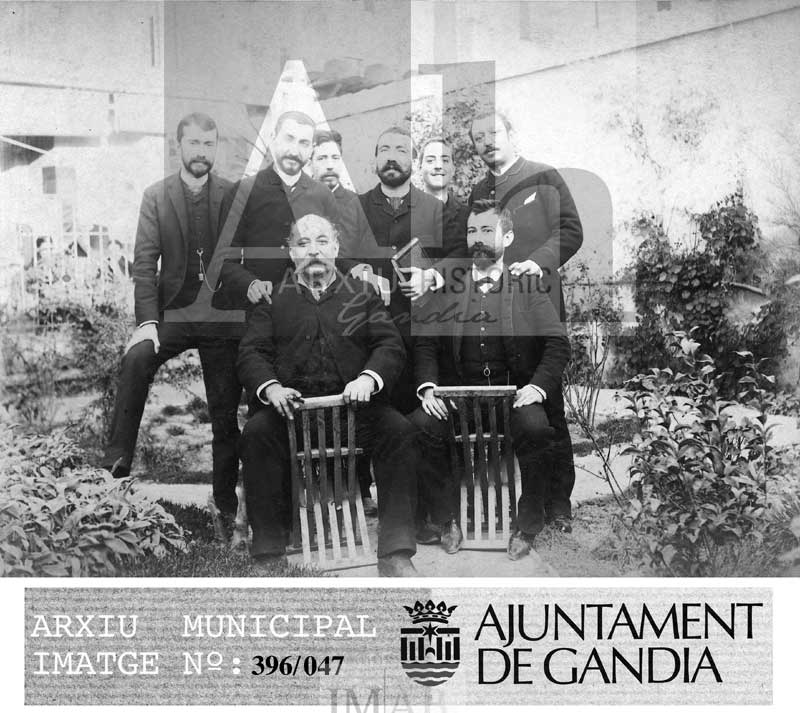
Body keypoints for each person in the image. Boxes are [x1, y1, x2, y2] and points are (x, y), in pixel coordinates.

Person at [236, 213, 419, 577]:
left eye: (322, 241)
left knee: (399, 431)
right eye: (303, 243)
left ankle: (395, 552)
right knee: (256, 433)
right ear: (291, 252)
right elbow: (251, 352)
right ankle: (268, 554)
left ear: (336, 247)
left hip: (354, 414)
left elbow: (389, 345)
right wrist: (272, 387)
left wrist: (368, 378)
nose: (314, 251)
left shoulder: (362, 294)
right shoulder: (273, 299)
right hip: (292, 416)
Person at [100, 112, 242, 538]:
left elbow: (244, 258)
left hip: (219, 316)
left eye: (208, 144)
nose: (201, 152)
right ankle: (114, 478)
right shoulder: (156, 196)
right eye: (193, 143)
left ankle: (225, 507)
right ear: (178, 146)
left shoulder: (232, 194)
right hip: (172, 315)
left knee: (224, 412)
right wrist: (147, 321)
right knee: (136, 359)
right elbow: (145, 264)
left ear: (215, 148)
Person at [409, 199, 570, 558]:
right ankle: (446, 519)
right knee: (421, 425)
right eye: (471, 231)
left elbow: (558, 343)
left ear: (507, 238)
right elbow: (426, 343)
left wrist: (537, 387)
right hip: (460, 401)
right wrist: (429, 388)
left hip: (513, 399)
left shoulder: (527, 286)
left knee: (537, 429)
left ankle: (527, 524)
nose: (477, 238)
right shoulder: (449, 287)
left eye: (486, 230)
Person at [469, 110, 582, 533]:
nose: (487, 141)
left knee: (547, 403)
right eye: (478, 137)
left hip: (538, 306)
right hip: (494, 313)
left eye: (493, 132)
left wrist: (539, 261)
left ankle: (558, 502)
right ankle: (513, 499)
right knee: (510, 406)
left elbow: (570, 230)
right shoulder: (479, 190)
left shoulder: (543, 176)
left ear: (511, 134)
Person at [356, 125, 454, 414]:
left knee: (423, 423)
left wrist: (432, 276)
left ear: (412, 160)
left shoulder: (434, 209)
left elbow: (460, 254)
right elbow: (339, 255)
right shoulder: (356, 207)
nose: (392, 157)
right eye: (385, 150)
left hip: (422, 340)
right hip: (367, 337)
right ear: (375, 159)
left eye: (401, 150)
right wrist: (360, 269)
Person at [310, 127, 377, 516]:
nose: (329, 165)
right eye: (321, 158)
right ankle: (317, 487)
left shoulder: (354, 204)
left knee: (353, 391)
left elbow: (368, 257)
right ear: (310, 163)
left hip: (347, 308)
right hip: (309, 305)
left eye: (335, 158)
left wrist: (362, 268)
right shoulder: (299, 200)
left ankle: (360, 485)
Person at [215, 110, 339, 312]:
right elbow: (223, 259)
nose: (294, 150)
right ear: (273, 139)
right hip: (257, 308)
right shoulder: (243, 191)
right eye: (289, 139)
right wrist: (249, 284)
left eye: (304, 143)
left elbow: (337, 254)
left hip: (308, 310)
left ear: (311, 149)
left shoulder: (323, 195)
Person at [418, 136, 469, 259]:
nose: (438, 166)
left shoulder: (468, 216)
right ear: (420, 168)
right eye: (430, 161)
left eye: (445, 160)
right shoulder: (405, 214)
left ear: (453, 169)